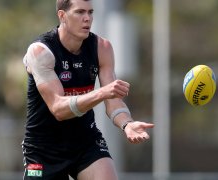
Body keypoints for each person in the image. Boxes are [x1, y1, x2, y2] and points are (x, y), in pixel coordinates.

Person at [21, 0, 155, 179]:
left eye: (90, 12)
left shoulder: (102, 48)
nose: (87, 19)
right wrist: (102, 92)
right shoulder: (41, 52)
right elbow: (58, 109)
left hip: (85, 141)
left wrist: (127, 123)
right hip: (43, 149)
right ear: (62, 16)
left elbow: (113, 101)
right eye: (80, 12)